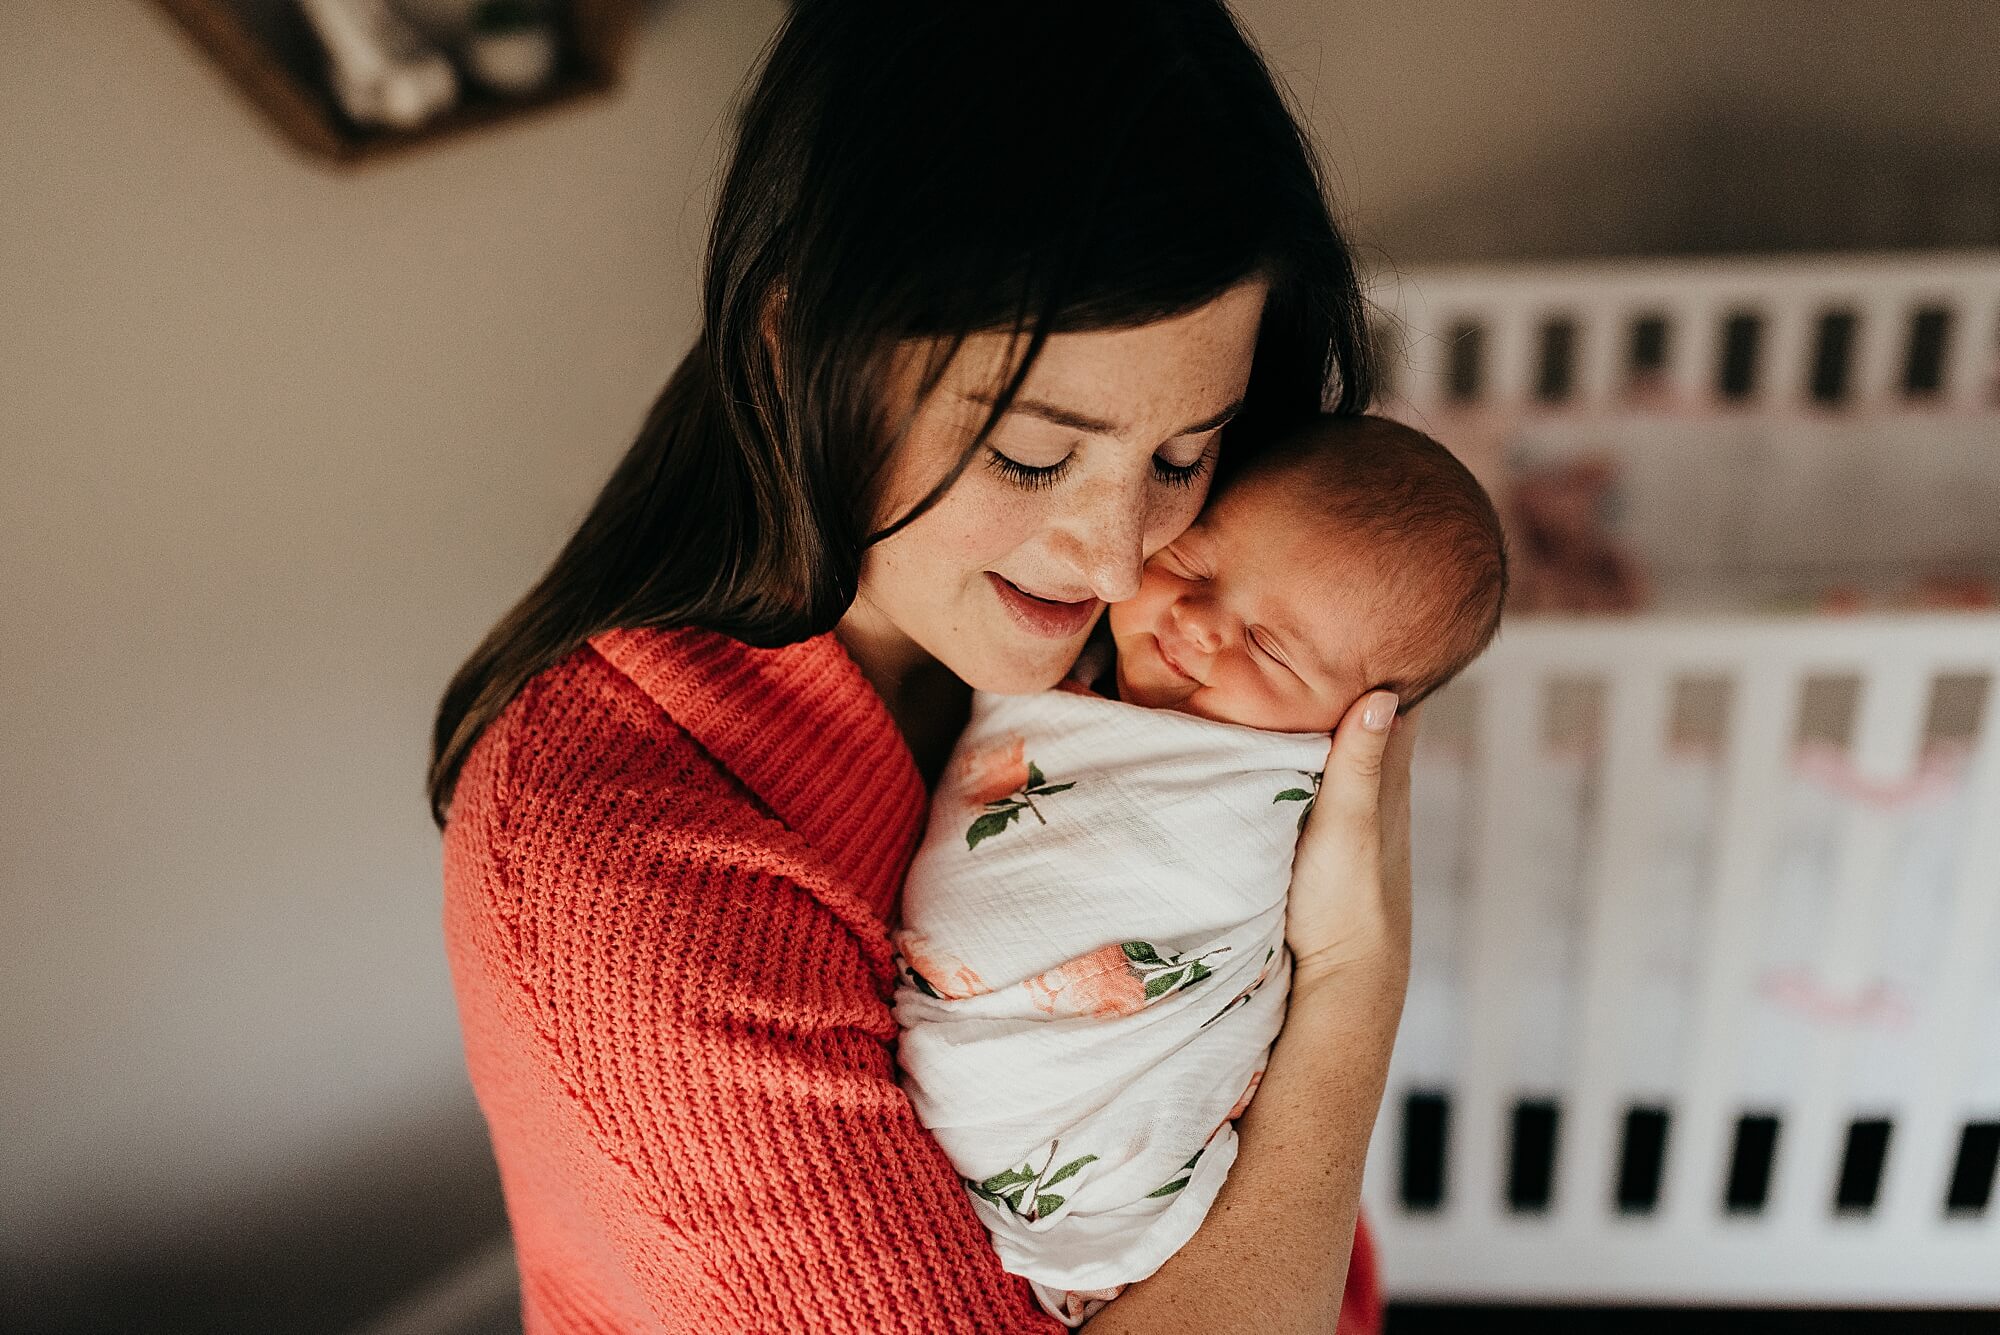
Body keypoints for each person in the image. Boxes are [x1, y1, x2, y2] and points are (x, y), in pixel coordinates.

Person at [428, 3, 1417, 1330]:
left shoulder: (1153, 649)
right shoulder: (626, 869)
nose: (1122, 565)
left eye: (1183, 454)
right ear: (796, 359)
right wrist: (1357, 984)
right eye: (1027, 454)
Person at [894, 416, 1504, 1325]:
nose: (1197, 621)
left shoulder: (1270, 781)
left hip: (1101, 1152)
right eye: (1194, 566)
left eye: (1270, 648)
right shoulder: (1059, 649)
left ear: (1351, 719)